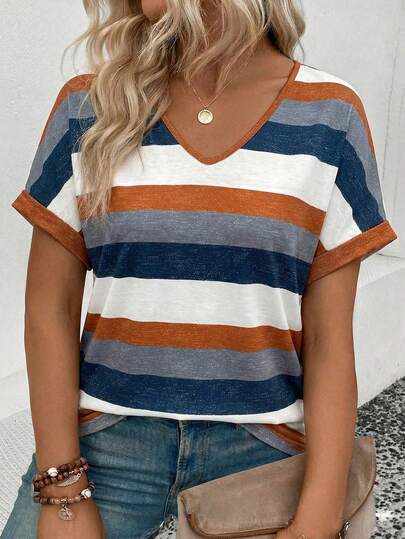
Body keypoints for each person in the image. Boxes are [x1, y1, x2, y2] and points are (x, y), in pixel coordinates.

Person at [3, 1, 398, 538]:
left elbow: (329, 339)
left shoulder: (331, 114)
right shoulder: (90, 105)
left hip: (261, 451)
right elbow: (49, 307)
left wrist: (321, 514)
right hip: (103, 447)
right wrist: (62, 491)